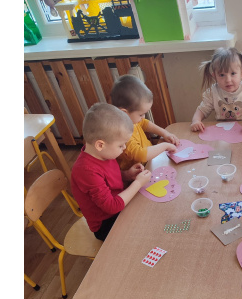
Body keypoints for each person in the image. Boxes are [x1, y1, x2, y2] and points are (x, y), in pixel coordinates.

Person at [70, 103, 152, 241]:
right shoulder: (86, 171)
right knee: (144, 229)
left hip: (118, 205)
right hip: (106, 224)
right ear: (100, 145)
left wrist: (126, 175)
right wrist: (138, 183)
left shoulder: (103, 153)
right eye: (120, 145)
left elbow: (107, 178)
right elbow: (112, 207)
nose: (124, 148)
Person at [190, 47, 242, 134]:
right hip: (222, 134)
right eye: (222, 75)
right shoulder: (212, 92)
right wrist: (196, 121)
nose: (228, 80)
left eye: (233, 73)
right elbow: (202, 110)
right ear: (215, 76)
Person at [110, 74, 179, 171]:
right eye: (141, 114)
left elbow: (145, 123)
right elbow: (141, 154)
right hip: (138, 173)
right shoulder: (121, 135)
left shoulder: (130, 120)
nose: (143, 117)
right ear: (124, 113)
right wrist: (164, 146)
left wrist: (164, 133)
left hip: (149, 162)